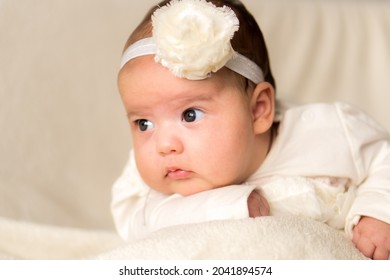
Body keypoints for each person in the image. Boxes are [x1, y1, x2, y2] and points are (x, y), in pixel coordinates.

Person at [111, 0, 390, 260]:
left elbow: (384, 159)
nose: (164, 144)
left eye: (190, 115)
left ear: (258, 110)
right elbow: (137, 225)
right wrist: (231, 205)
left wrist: (378, 211)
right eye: (143, 123)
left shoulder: (329, 131)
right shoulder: (144, 183)